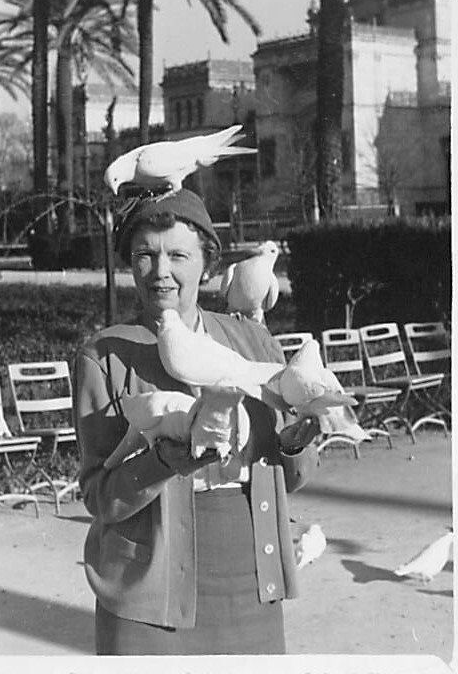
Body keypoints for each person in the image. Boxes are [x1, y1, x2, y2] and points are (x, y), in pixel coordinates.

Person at [73, 187, 320, 656]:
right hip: (149, 592)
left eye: (178, 255)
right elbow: (99, 498)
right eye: (145, 255)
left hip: (250, 578)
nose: (161, 271)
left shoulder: (255, 342)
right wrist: (170, 458)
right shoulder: (103, 356)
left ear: (206, 263)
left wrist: (296, 438)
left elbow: (296, 475)